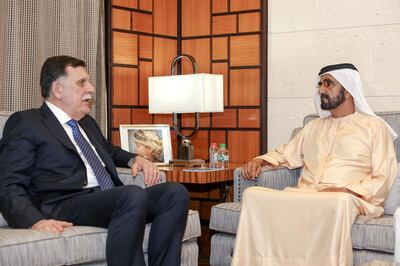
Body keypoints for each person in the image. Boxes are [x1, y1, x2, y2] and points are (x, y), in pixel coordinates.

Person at [0, 55, 189, 266]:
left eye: (88, 82)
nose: (90, 88)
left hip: (105, 199)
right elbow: (9, 182)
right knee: (131, 195)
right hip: (64, 202)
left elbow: (109, 151)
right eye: (82, 82)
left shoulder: (86, 122)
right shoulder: (27, 122)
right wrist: (34, 221)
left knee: (174, 192)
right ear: (58, 89)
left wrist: (136, 158)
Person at [232, 63, 398, 266]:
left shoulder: (374, 127)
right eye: (320, 84)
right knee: (252, 195)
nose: (321, 90)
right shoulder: (313, 127)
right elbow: (286, 153)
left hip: (349, 197)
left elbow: (384, 175)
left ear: (348, 91)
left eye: (328, 84)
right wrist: (260, 160)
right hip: (308, 194)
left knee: (337, 202)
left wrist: (347, 189)